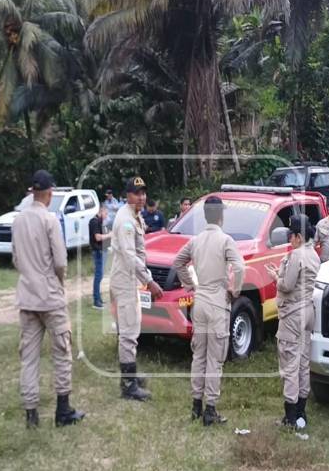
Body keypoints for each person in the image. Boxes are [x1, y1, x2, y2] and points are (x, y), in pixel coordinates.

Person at [12, 170, 85, 429]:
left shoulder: (18, 220)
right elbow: (61, 261)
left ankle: (31, 413)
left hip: (27, 296)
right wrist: (58, 282)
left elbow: (16, 259)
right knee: (62, 352)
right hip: (50, 298)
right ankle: (63, 410)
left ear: (32, 192)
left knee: (29, 357)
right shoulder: (50, 220)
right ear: (50, 193)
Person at [173, 196, 245, 426]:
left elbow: (178, 262)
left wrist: (190, 285)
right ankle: (210, 408)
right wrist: (236, 289)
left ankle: (196, 404)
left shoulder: (196, 240)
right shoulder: (225, 240)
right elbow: (240, 267)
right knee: (215, 358)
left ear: (205, 216)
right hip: (216, 303)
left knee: (199, 355)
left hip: (200, 300)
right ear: (221, 216)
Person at [109, 176, 164, 401]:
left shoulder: (134, 215)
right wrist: (150, 281)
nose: (141, 197)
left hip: (128, 280)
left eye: (143, 193)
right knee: (129, 333)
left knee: (130, 329)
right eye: (136, 193)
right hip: (125, 282)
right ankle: (128, 386)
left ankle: (130, 373)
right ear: (127, 195)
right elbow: (131, 256)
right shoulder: (126, 221)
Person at [266, 215, 320, 429]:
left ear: (298, 236)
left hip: (293, 314)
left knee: (290, 363)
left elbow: (287, 286)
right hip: (308, 311)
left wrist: (274, 277)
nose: (290, 239)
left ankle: (289, 418)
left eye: (292, 235)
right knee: (303, 363)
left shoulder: (296, 255)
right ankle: (301, 414)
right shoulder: (314, 255)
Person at [88, 206, 112, 309]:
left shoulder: (99, 222)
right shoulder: (94, 221)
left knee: (100, 276)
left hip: (102, 250)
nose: (106, 217)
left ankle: (99, 299)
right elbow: (97, 237)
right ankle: (96, 301)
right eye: (105, 214)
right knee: (98, 276)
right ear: (101, 211)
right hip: (98, 251)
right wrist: (110, 235)